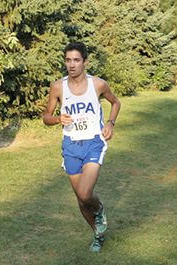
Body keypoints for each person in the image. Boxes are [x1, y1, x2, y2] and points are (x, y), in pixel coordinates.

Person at [42, 42, 121, 252]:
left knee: (86, 194)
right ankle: (97, 233)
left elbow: (116, 103)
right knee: (80, 199)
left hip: (94, 142)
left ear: (85, 62)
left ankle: (100, 210)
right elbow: (45, 117)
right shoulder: (58, 87)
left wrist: (110, 123)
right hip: (70, 146)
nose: (72, 65)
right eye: (68, 60)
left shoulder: (98, 84)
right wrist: (58, 118)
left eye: (76, 60)